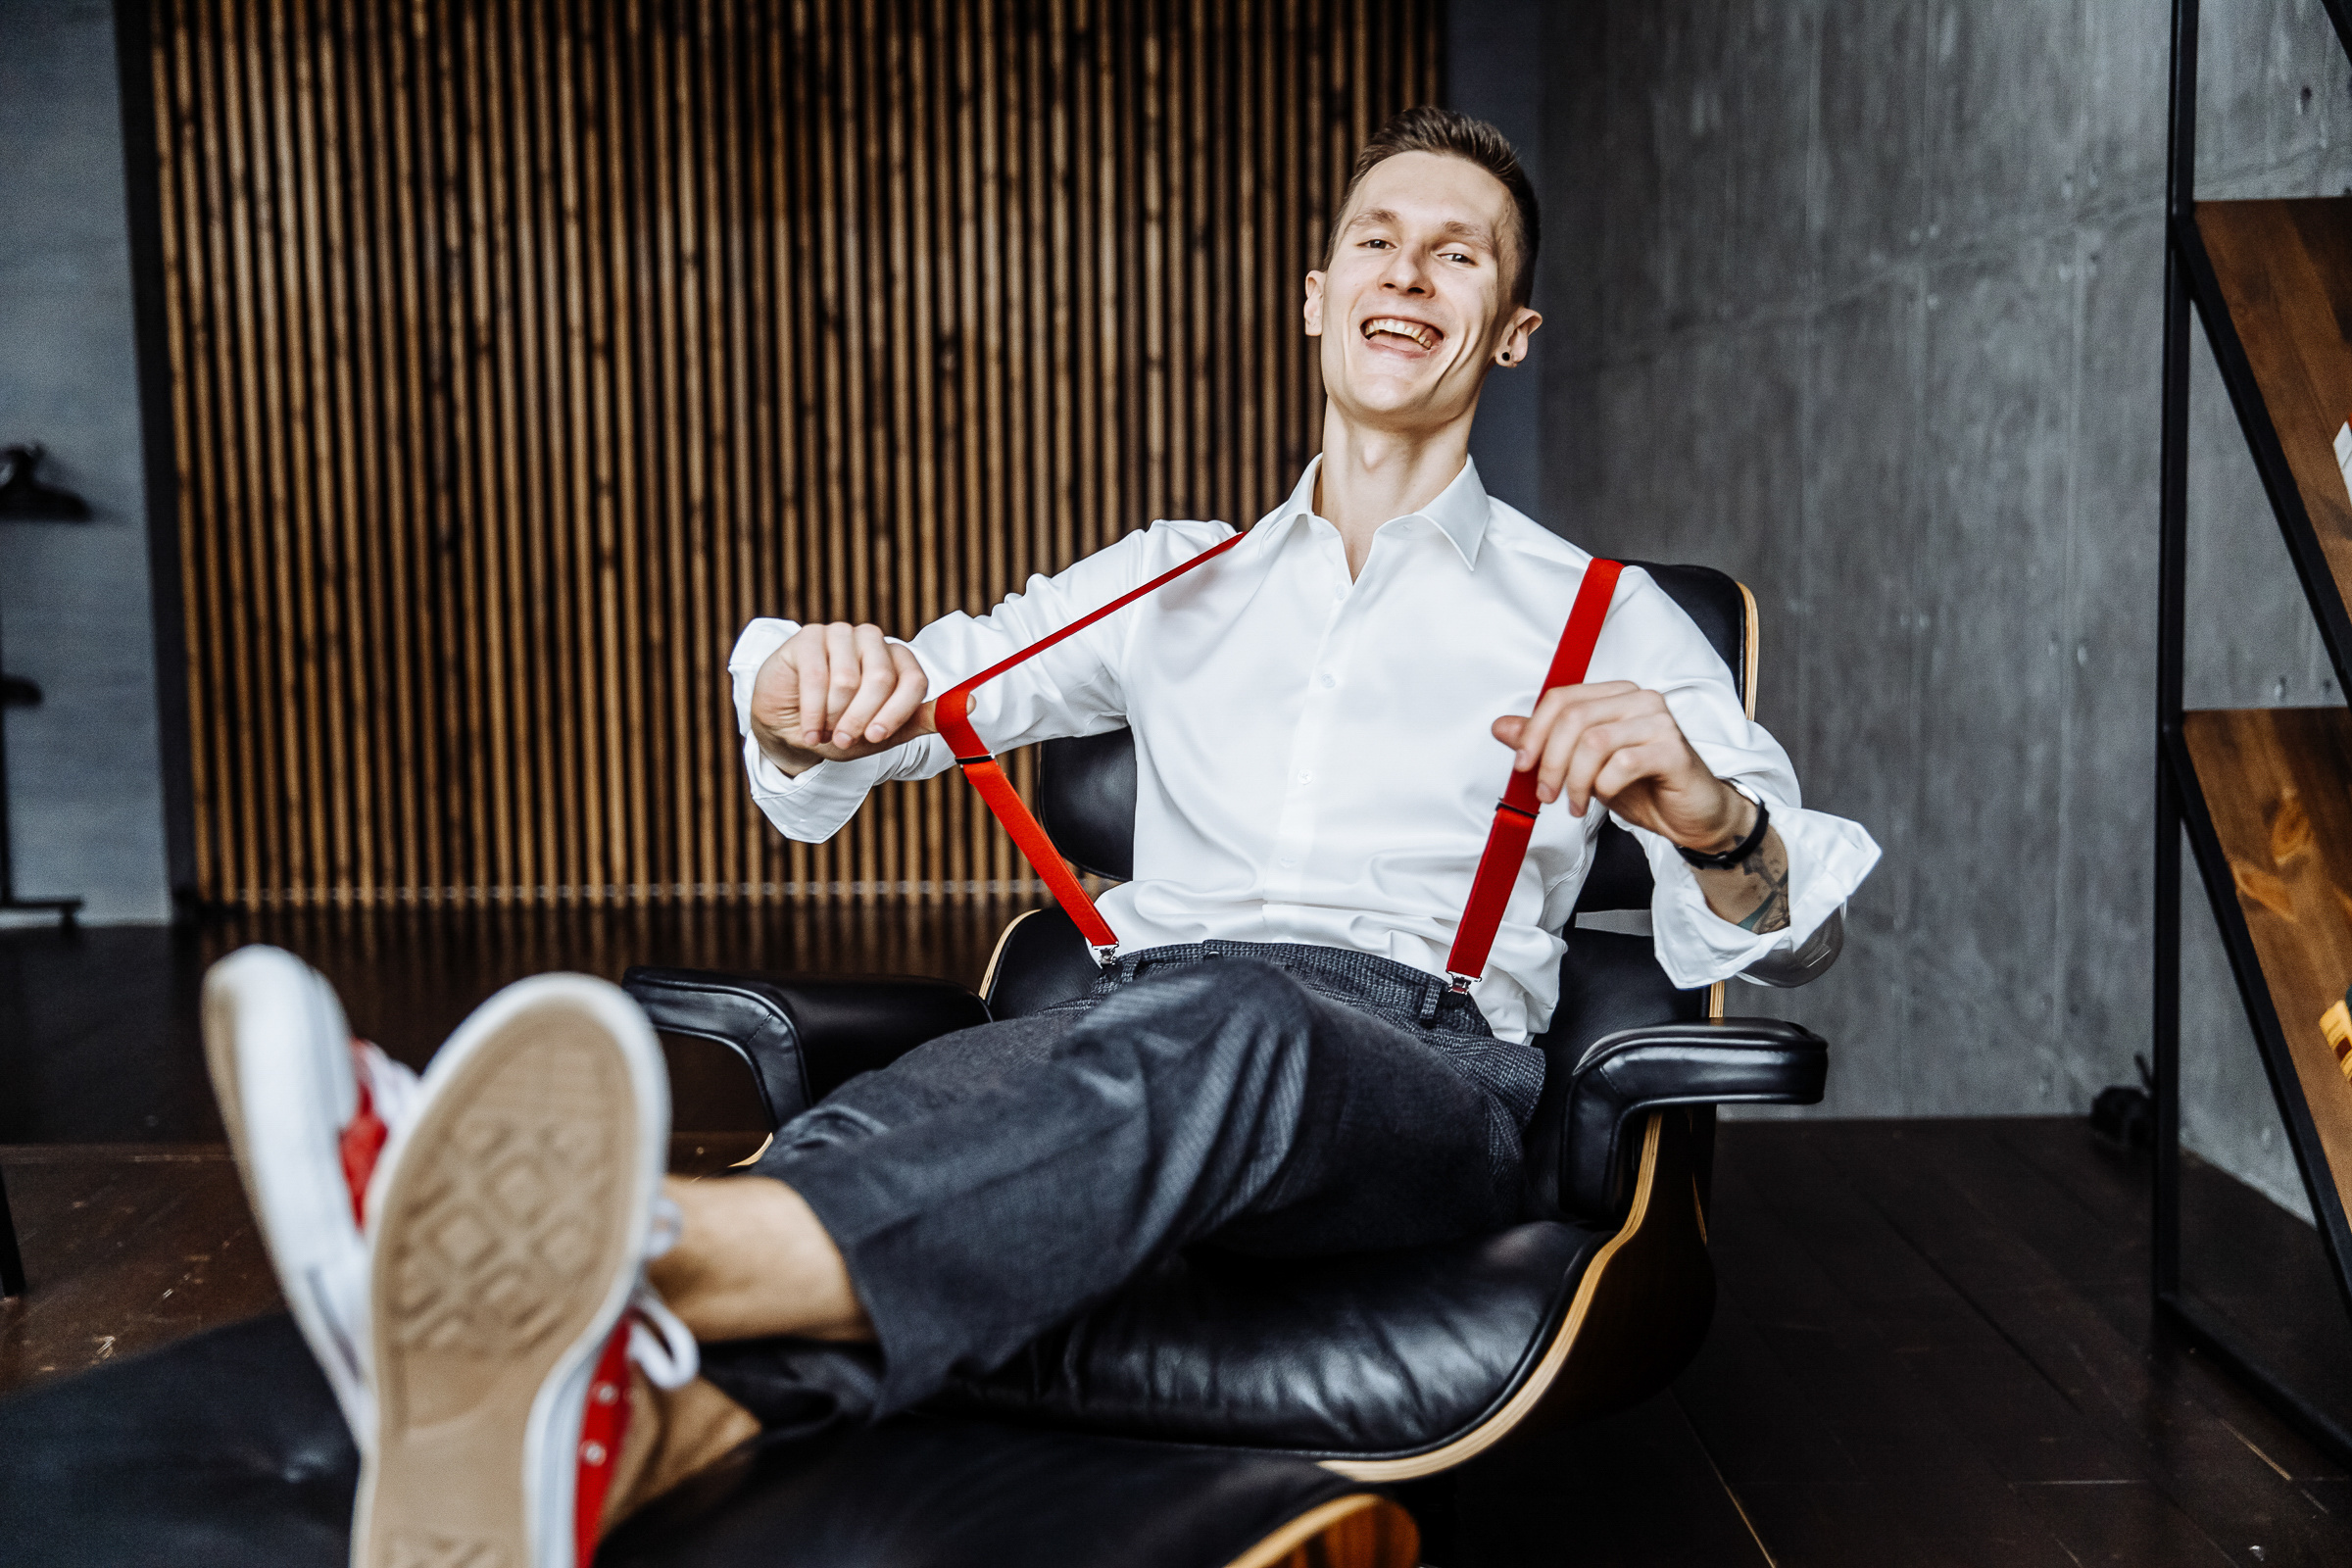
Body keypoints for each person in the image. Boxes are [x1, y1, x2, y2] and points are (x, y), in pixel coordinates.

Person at [210, 107, 1879, 1568]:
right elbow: (900, 702)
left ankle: (601, 1246)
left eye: (1459, 258)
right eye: (1377, 238)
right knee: (995, 1077)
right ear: (1316, 298)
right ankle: (607, 1451)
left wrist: (1711, 811)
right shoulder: (1169, 575)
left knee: (1224, 1022)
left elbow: (1790, 918)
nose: (1409, 272)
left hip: (1414, 1074)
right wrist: (805, 686)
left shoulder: (1608, 613)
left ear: (1507, 334)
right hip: (1115, 1032)